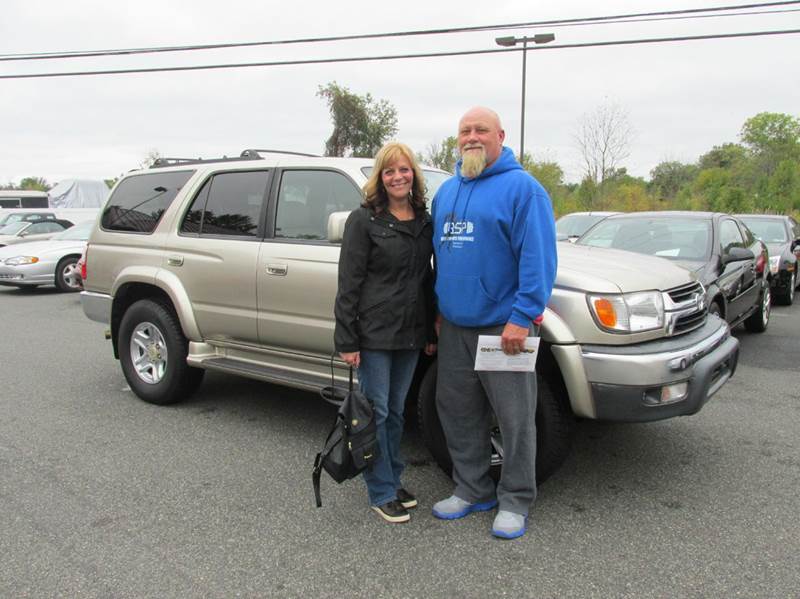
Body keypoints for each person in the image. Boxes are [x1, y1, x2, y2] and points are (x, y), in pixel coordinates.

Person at [430, 106, 557, 539]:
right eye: (464, 130)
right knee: (459, 413)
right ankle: (472, 489)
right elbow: (440, 260)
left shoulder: (525, 190)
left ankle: (516, 500)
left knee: (515, 416)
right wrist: (439, 312)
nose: (471, 136)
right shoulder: (445, 192)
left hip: (505, 329)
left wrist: (522, 318)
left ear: (500, 135)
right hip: (455, 328)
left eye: (481, 129)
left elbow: (539, 261)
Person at [334, 142, 437, 524]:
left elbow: (426, 279)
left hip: (410, 333)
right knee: (375, 413)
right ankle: (380, 491)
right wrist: (347, 339)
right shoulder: (364, 220)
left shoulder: (423, 218)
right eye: (390, 171)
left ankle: (392, 479)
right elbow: (349, 283)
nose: (398, 177)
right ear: (380, 177)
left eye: (404, 170)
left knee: (395, 412)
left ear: (413, 175)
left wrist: (429, 329)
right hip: (374, 333)